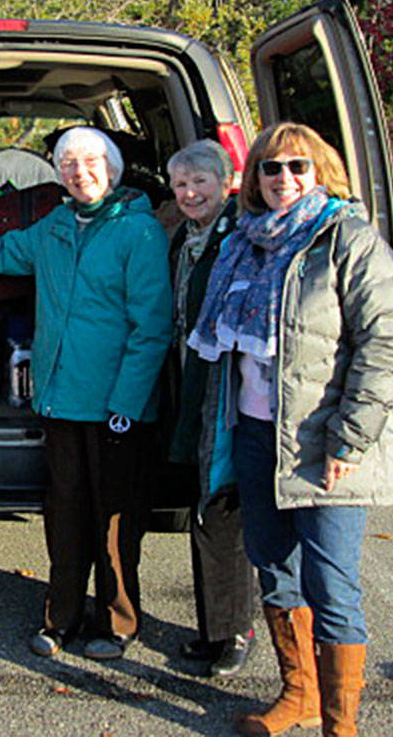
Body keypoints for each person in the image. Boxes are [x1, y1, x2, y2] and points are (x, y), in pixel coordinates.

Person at [188, 123, 393, 737]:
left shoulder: (350, 241)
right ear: (254, 177)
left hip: (324, 441)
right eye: (271, 168)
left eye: (298, 168)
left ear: (321, 174)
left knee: (332, 583)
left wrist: (351, 439)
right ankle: (299, 694)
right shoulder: (242, 241)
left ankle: (341, 723)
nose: (285, 178)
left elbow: (382, 345)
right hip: (255, 433)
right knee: (274, 567)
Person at [0, 126, 172, 661]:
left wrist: (127, 406)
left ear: (111, 167)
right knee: (64, 513)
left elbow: (152, 328)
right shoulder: (56, 224)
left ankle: (117, 623)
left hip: (114, 406)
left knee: (112, 519)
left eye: (89, 162)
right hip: (60, 398)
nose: (79, 172)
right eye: (67, 164)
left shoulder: (140, 233)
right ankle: (59, 617)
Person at [159, 139, 257, 677]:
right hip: (190, 386)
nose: (190, 193)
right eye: (180, 184)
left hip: (228, 396)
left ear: (225, 183)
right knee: (204, 508)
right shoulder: (188, 237)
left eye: (200, 182)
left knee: (224, 512)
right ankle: (211, 630)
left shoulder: (238, 237)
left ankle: (234, 634)